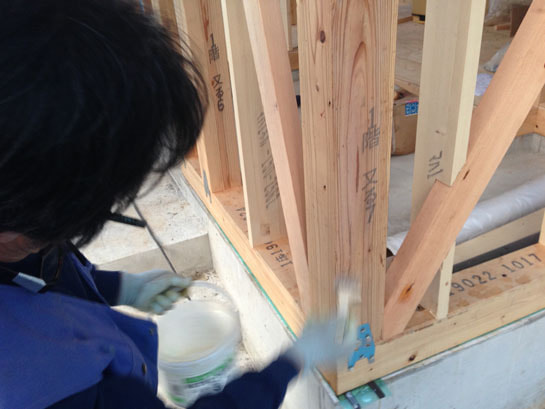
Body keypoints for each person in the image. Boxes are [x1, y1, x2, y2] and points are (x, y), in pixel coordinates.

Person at [0, 1, 356, 408]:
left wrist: (121, 288)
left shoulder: (17, 211)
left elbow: (39, 277)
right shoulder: (42, 383)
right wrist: (291, 363)